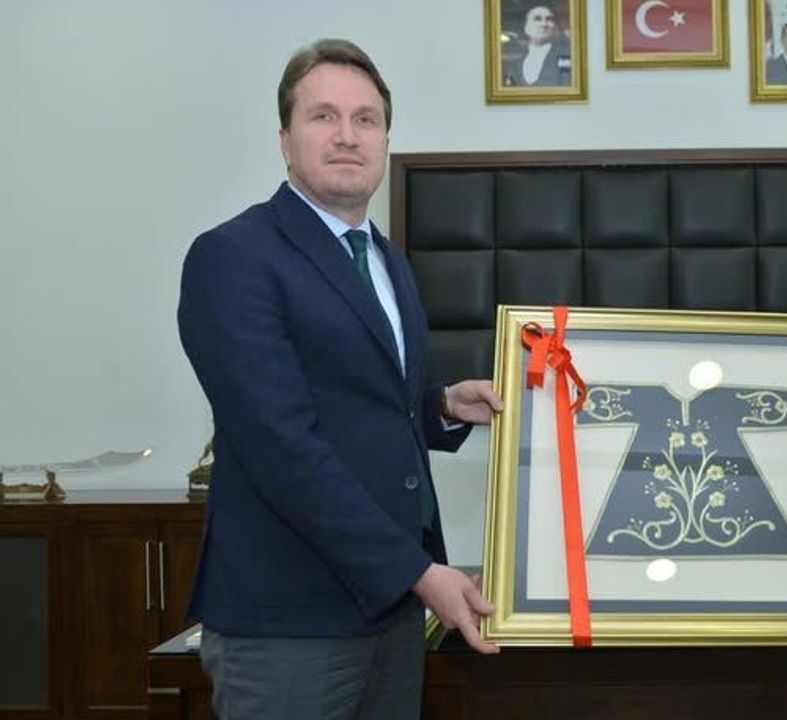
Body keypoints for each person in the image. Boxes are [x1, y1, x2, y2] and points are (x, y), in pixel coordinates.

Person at [177, 38, 502, 720]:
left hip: (390, 614)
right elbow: (281, 447)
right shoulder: (233, 257)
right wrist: (420, 573)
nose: (348, 135)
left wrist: (440, 405)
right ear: (285, 141)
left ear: (385, 140)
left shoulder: (387, 259)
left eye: (366, 119)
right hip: (289, 623)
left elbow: (359, 403)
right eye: (323, 116)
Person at [501, 4, 572, 87]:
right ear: (525, 26)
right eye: (537, 19)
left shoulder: (564, 55)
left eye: (549, 19)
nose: (544, 24)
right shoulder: (515, 62)